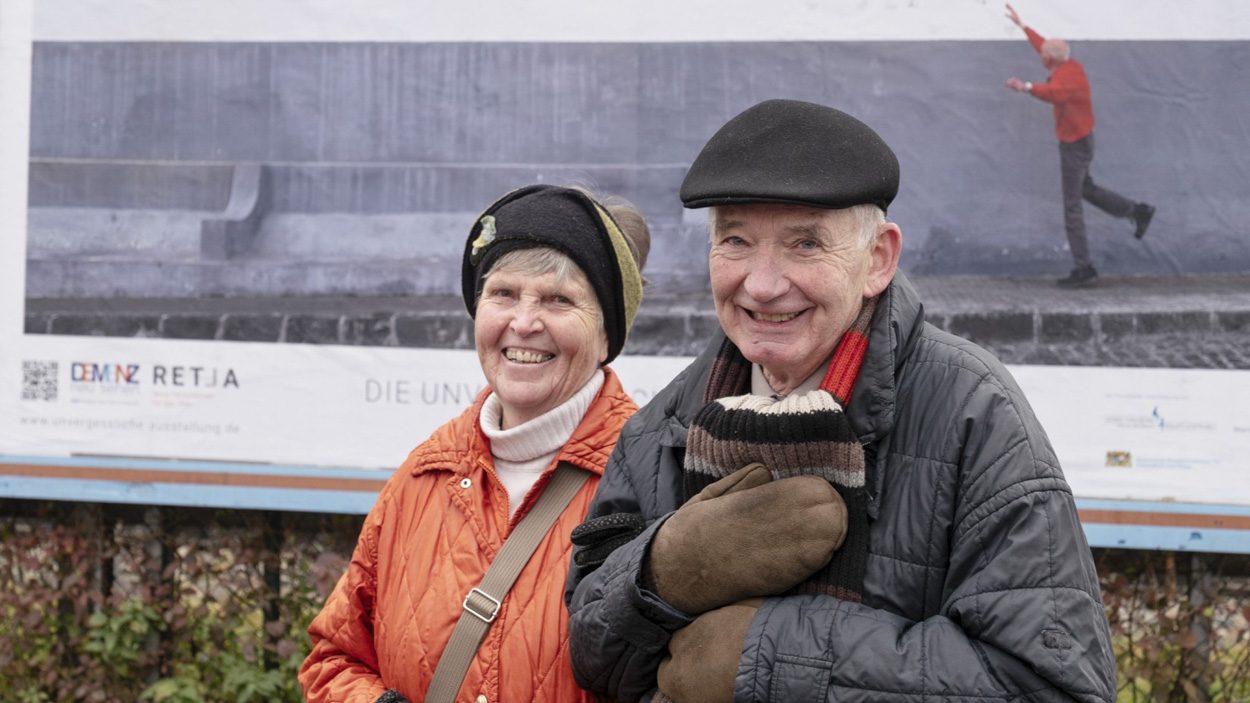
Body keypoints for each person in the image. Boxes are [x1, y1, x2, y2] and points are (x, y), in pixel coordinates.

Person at [565, 99, 1115, 703]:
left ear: (877, 258)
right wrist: (658, 574)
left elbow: (1052, 686)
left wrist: (765, 658)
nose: (763, 283)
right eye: (736, 240)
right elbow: (594, 657)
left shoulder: (974, 413)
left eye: (804, 244)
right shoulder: (665, 423)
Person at [300, 184, 649, 703]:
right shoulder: (422, 476)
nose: (524, 322)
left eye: (559, 300)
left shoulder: (652, 480)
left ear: (607, 334)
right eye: (504, 293)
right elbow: (335, 658)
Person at [1003, 2, 1155, 289]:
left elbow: (1055, 94)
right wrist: (1022, 25)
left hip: (1074, 146)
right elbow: (1043, 47)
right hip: (1081, 141)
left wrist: (1026, 87)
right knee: (1087, 190)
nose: (1041, 57)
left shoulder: (1067, 79)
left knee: (1072, 206)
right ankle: (1137, 211)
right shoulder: (1068, 64)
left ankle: (1084, 268)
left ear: (1052, 59)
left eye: (1045, 55)